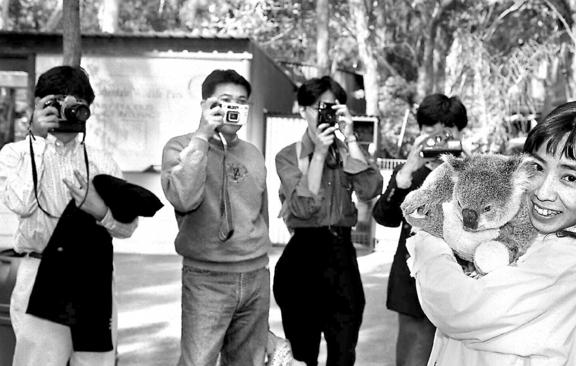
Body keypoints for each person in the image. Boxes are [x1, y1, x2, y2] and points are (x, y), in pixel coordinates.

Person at [406, 100, 576, 365]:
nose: (543, 192)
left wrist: (428, 237)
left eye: (570, 178)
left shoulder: (573, 258)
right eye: (538, 168)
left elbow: (457, 308)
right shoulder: (525, 228)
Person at [0, 65, 138, 366]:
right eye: (55, 102)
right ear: (38, 106)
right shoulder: (16, 154)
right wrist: (37, 140)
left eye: (75, 103)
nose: (65, 110)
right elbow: (22, 204)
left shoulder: (102, 161)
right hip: (38, 273)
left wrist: (100, 211)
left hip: (93, 278)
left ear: (88, 108)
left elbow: (128, 228)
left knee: (94, 362)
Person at [161, 69, 271, 366]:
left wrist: (263, 259)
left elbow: (261, 214)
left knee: (248, 362)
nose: (234, 106)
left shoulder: (253, 153)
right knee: (198, 362)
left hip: (256, 277)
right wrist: (201, 136)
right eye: (224, 100)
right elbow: (184, 198)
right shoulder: (180, 147)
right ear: (205, 105)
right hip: (206, 278)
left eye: (241, 100)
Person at [273, 76, 383, 366]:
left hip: (342, 256)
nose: (326, 114)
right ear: (302, 110)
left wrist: (351, 139)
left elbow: (370, 189)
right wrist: (319, 154)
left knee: (344, 352)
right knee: (302, 354)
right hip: (303, 259)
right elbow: (301, 208)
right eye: (319, 107)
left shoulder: (348, 151)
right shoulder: (289, 156)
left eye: (332, 108)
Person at [371, 93, 468, 366]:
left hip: (461, 288)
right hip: (413, 285)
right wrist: (406, 172)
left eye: (447, 132)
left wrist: (468, 167)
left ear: (460, 133)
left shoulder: (470, 172)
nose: (438, 139)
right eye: (429, 131)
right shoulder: (408, 172)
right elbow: (385, 218)